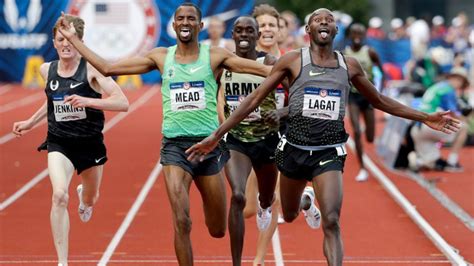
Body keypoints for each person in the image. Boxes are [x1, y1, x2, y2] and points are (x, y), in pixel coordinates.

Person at [186, 8, 460, 266]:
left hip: (329, 152)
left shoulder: (348, 65)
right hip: (293, 150)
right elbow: (254, 99)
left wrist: (425, 117)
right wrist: (217, 134)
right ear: (308, 29)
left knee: (331, 220)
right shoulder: (293, 60)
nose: (324, 23)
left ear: (336, 29)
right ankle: (305, 199)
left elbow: (379, 100)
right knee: (290, 214)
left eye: (329, 20)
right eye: (318, 20)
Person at [57, 3, 271, 265]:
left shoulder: (214, 56)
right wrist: (73, 39)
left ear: (200, 26)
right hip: (174, 148)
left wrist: (302, 70)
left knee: (217, 229)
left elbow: (264, 71)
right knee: (181, 220)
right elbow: (107, 68)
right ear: (173, 25)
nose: (185, 22)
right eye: (180, 18)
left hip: (208, 146)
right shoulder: (160, 57)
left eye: (191, 19)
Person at [12, 15, 129, 266]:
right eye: (60, 39)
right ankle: (62, 262)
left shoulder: (91, 70)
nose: (65, 44)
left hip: (90, 144)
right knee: (59, 196)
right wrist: (31, 122)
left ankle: (84, 199)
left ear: (80, 42)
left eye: (70, 39)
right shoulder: (47, 70)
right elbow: (53, 101)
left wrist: (88, 101)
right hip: (59, 142)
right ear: (54, 43)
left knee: (91, 198)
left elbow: (122, 102)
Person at [344, 23, 385, 182]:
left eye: (360, 33)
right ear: (349, 35)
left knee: (370, 137)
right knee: (356, 132)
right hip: (353, 95)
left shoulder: (370, 52)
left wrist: (380, 90)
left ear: (364, 35)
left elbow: (381, 71)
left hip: (368, 95)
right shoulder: (345, 54)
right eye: (354, 33)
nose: (357, 36)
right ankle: (362, 168)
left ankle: (366, 130)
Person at [409, 67, 470, 172]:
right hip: (429, 126)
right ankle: (452, 162)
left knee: (431, 163)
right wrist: (466, 119)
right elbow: (453, 113)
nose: (458, 82)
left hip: (417, 128)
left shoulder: (437, 86)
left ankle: (417, 160)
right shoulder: (448, 90)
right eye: (458, 79)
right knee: (464, 127)